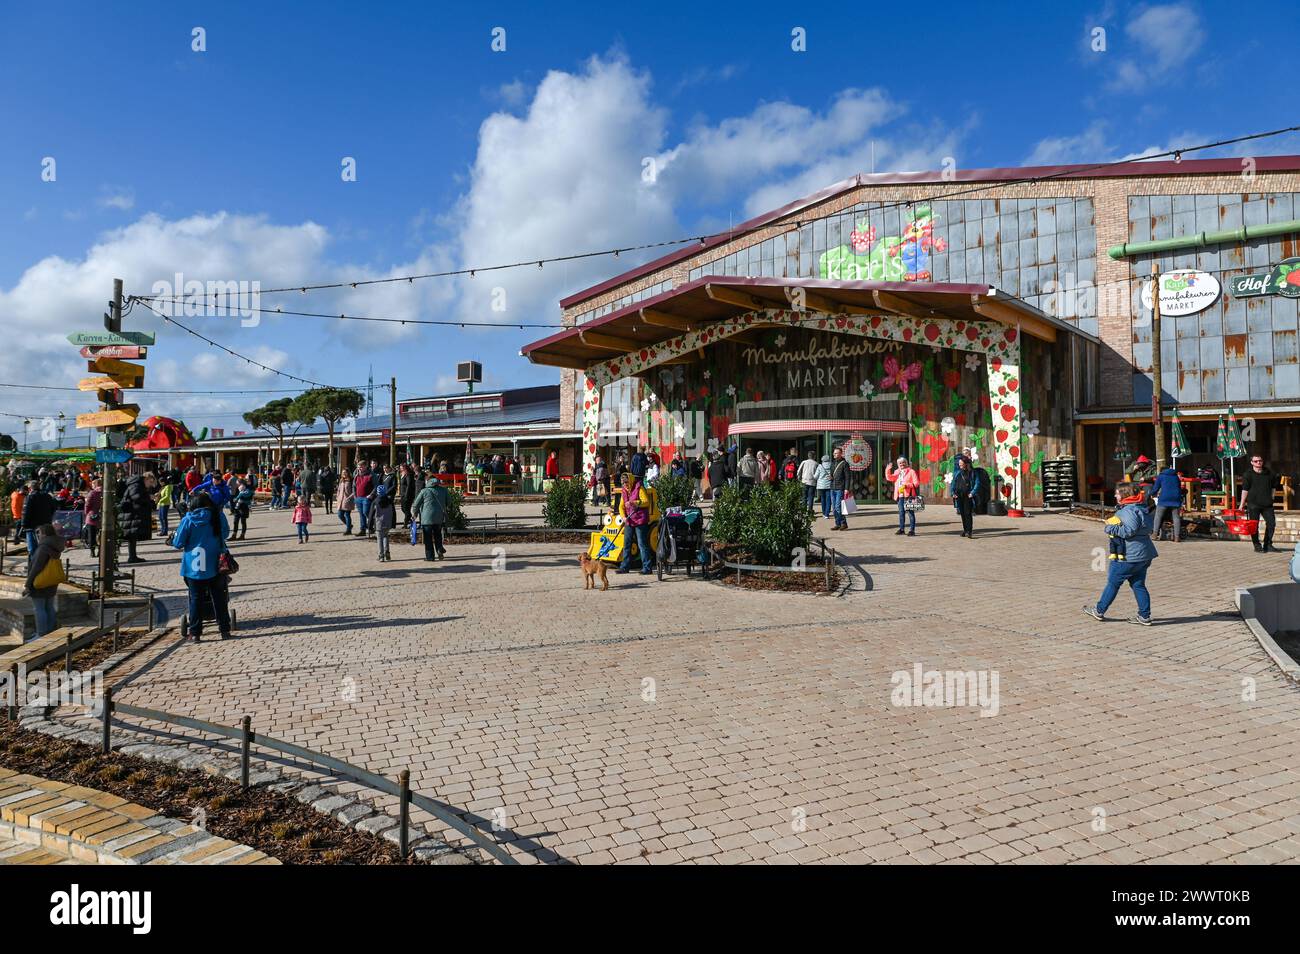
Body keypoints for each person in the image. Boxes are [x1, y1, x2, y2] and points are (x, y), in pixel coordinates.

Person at [1084, 482, 1158, 625]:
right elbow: (1150, 529)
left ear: (1125, 495)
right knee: (1138, 585)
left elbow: (1128, 531)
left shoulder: (1128, 511)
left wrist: (1110, 528)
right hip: (1144, 554)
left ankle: (1099, 610)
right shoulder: (1141, 508)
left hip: (1128, 555)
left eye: (1117, 493)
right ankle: (1144, 616)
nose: (1115, 495)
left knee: (1113, 583)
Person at [170, 491, 232, 642]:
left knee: (195, 599)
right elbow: (225, 534)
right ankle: (224, 630)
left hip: (193, 566)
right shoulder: (218, 516)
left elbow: (178, 543)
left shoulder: (188, 519)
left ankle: (196, 632)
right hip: (216, 563)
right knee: (219, 597)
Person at [23, 523, 64, 639]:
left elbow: (36, 567)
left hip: (40, 583)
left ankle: (41, 634)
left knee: (39, 609)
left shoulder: (43, 548)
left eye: (39, 533)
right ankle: (50, 631)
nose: (38, 535)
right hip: (51, 581)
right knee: (49, 607)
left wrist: (28, 584)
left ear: (45, 534)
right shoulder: (55, 546)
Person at [1239, 454, 1280, 553]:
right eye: (1256, 461)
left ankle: (1268, 544)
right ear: (1252, 462)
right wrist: (1241, 504)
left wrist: (1272, 497)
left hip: (1267, 504)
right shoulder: (1248, 474)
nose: (1258, 463)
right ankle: (1257, 545)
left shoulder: (1269, 473)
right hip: (1253, 504)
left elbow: (1273, 487)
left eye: (1260, 461)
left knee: (1271, 524)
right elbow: (1245, 490)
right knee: (1254, 526)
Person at [615, 472, 655, 576]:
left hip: (640, 519)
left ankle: (647, 567)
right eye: (623, 484)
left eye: (627, 483)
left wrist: (634, 502)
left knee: (642, 544)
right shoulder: (624, 490)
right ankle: (624, 567)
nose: (625, 486)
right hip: (629, 520)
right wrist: (623, 517)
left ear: (630, 481)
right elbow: (621, 506)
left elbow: (646, 501)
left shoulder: (639, 487)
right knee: (627, 544)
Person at [412, 476, 449, 561]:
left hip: (426, 519)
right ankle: (439, 549)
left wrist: (415, 513)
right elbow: (449, 501)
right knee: (438, 535)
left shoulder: (424, 491)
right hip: (439, 518)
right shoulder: (444, 490)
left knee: (428, 538)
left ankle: (430, 557)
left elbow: (416, 504)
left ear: (427, 482)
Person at [885, 456, 920, 536]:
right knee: (901, 513)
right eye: (900, 463)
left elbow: (916, 483)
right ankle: (901, 529)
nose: (902, 464)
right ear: (898, 464)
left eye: (903, 462)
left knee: (910, 513)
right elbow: (889, 478)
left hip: (909, 495)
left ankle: (912, 530)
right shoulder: (897, 472)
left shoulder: (911, 471)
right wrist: (888, 469)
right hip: (900, 496)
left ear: (906, 463)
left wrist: (906, 485)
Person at [20, 480, 55, 560]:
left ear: (30, 488)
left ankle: (34, 565)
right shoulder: (48, 496)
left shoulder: (30, 497)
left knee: (32, 548)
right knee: (44, 546)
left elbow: (25, 512)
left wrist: (23, 525)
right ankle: (44, 564)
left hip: (32, 526)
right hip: (45, 525)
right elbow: (53, 508)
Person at [950, 454, 983, 538]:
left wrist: (972, 492)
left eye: (961, 463)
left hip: (968, 496)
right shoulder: (957, 472)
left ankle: (969, 531)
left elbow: (977, 483)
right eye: (959, 464)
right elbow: (953, 483)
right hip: (958, 495)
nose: (959, 465)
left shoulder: (972, 473)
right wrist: (953, 493)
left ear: (966, 463)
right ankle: (965, 530)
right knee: (962, 513)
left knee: (968, 513)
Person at [1149, 464, 1183, 543]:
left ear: (1161, 471)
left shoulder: (1161, 476)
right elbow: (1179, 487)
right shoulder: (1176, 476)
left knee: (1158, 516)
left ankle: (1154, 534)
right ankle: (1177, 537)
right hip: (1176, 498)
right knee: (1176, 517)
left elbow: (1156, 488)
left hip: (1164, 498)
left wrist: (1151, 494)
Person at [829, 447, 850, 532]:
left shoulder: (844, 463)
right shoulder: (833, 463)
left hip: (840, 488)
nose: (835, 455)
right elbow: (831, 474)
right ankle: (837, 524)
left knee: (838, 507)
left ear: (841, 454)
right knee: (834, 508)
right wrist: (830, 477)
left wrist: (846, 488)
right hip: (832, 487)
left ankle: (843, 523)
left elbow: (848, 477)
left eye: (836, 453)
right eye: (834, 453)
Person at [373, 484, 396, 561]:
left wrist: (369, 525)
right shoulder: (390, 501)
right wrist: (393, 523)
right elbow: (393, 512)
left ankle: (381, 555)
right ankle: (387, 553)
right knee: (386, 536)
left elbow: (371, 514)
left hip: (379, 523)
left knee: (379, 539)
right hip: (388, 522)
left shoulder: (375, 501)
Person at [354, 464, 375, 538]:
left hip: (366, 497)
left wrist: (371, 494)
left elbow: (376, 486)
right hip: (358, 498)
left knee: (366, 512)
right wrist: (355, 496)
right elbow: (354, 486)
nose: (359, 468)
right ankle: (362, 530)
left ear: (365, 467)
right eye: (358, 467)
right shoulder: (357, 475)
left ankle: (371, 526)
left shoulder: (370, 475)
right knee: (361, 514)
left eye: (361, 467)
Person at [336, 469, 355, 534]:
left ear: (348, 473)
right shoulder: (341, 480)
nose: (343, 473)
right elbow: (339, 489)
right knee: (340, 515)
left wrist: (350, 497)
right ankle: (349, 525)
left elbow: (354, 491)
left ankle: (348, 530)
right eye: (342, 472)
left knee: (347, 515)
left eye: (345, 472)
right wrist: (337, 496)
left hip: (348, 500)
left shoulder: (351, 481)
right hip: (341, 501)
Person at [815, 454, 833, 518]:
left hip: (821, 486)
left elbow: (815, 476)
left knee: (823, 499)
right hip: (829, 485)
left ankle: (824, 513)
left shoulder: (820, 466)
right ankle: (827, 514)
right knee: (828, 499)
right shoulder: (832, 465)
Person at [399, 463, 417, 528]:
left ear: (406, 468)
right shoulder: (402, 474)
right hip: (402, 494)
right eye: (400, 468)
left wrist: (406, 495)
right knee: (403, 508)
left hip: (408, 495)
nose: (401, 469)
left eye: (402, 468)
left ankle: (405, 524)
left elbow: (408, 486)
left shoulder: (409, 475)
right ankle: (410, 519)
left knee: (406, 509)